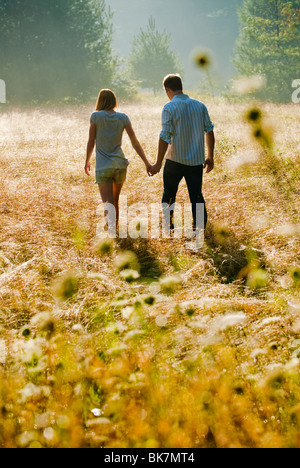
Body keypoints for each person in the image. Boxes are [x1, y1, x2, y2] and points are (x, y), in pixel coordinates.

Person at [150, 74, 215, 233]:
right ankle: (199, 228)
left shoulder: (169, 107)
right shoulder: (199, 105)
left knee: (169, 194)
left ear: (167, 89)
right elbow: (210, 130)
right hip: (195, 161)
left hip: (174, 160)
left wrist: (158, 163)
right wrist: (210, 156)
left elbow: (165, 136)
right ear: (181, 86)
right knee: (196, 196)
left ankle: (168, 226)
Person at [85, 89, 151, 232]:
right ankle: (115, 232)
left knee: (108, 204)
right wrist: (146, 162)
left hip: (103, 166)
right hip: (120, 165)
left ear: (100, 100)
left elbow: (91, 142)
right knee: (115, 201)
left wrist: (87, 161)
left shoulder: (95, 116)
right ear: (114, 100)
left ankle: (111, 236)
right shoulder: (123, 117)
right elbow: (135, 142)